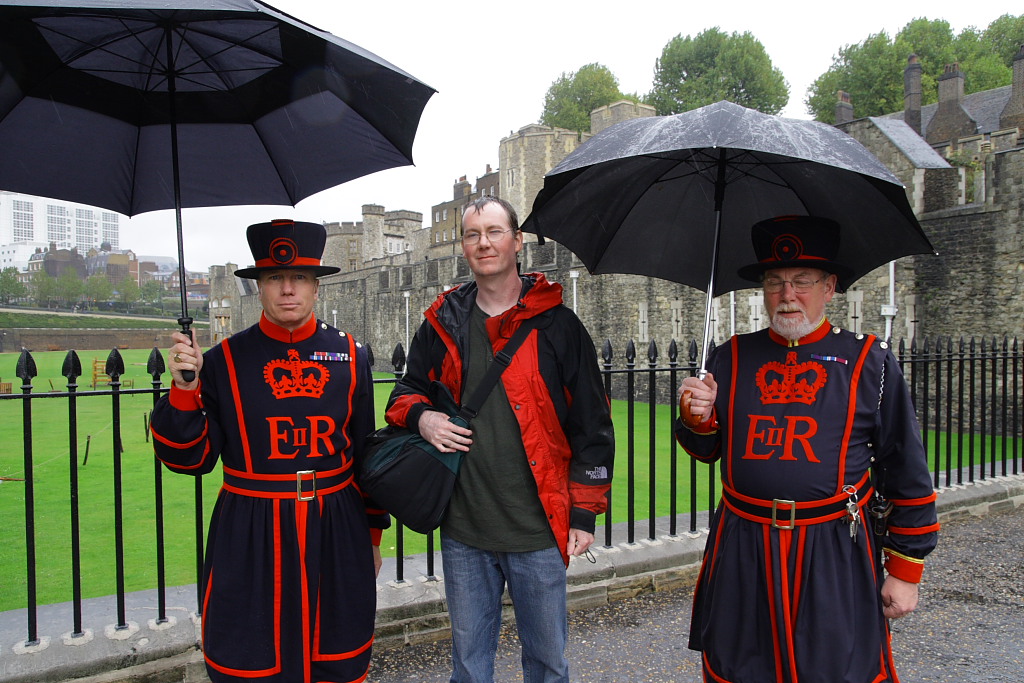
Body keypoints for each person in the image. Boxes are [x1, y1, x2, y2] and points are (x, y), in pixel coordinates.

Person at [676, 214, 939, 683]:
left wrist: (905, 568)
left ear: (830, 286)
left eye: (802, 281)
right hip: (743, 547)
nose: (787, 295)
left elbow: (906, 469)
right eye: (775, 282)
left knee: (836, 670)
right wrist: (698, 419)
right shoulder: (730, 357)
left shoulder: (869, 360)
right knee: (740, 669)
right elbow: (707, 450)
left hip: (834, 549)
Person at [384, 196, 614, 682]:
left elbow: (592, 425)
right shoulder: (443, 321)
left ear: (517, 240)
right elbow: (404, 393)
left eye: (494, 231)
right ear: (463, 246)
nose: (483, 242)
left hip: (536, 528)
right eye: (472, 234)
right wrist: (423, 418)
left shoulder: (559, 326)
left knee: (548, 663)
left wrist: (585, 511)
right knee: (469, 666)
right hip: (465, 528)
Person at [150, 219, 386, 683]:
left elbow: (366, 454)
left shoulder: (351, 355)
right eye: (275, 279)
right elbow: (190, 458)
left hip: (336, 524)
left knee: (335, 661)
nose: (288, 290)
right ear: (258, 287)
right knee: (251, 664)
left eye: (299, 277)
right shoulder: (222, 361)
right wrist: (183, 390)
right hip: (251, 529)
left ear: (317, 286)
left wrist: (374, 536)